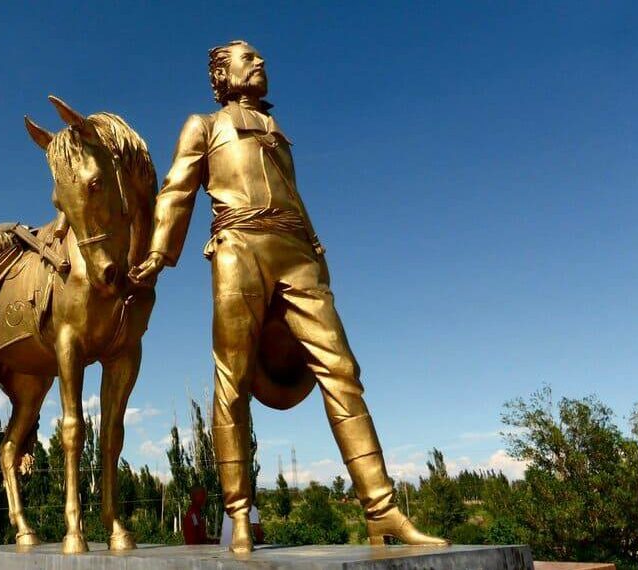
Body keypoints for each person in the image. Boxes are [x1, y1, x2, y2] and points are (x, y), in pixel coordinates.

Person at [132, 40, 447, 552]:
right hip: (239, 245)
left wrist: (318, 254)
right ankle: (238, 514)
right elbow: (177, 191)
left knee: (341, 369)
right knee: (232, 378)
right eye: (247, 58)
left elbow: (295, 198)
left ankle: (382, 511)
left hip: (296, 252)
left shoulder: (276, 130)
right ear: (221, 74)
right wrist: (158, 255)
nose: (260, 62)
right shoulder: (203, 126)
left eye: (260, 58)